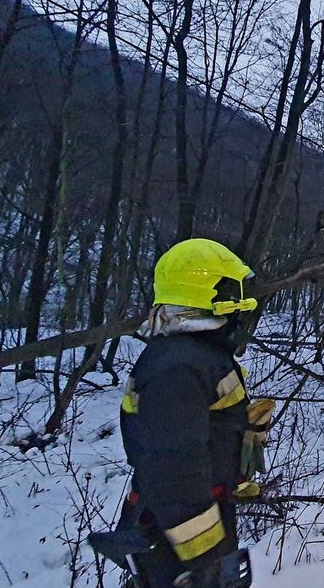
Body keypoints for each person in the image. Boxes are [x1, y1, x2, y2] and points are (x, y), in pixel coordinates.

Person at [110, 238, 267, 587]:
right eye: (232, 290)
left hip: (197, 512)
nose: (240, 307)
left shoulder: (198, 354)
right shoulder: (179, 366)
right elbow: (172, 464)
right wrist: (203, 559)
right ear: (211, 293)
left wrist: (238, 444)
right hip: (178, 532)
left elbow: (198, 432)